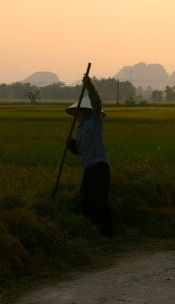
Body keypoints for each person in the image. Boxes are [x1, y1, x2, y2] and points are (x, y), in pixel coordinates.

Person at [65, 75, 113, 237]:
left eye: (79, 111)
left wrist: (89, 86)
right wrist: (71, 145)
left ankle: (107, 234)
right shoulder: (79, 129)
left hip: (99, 166)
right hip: (88, 168)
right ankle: (90, 229)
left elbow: (97, 102)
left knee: (100, 199)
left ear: (86, 110)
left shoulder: (95, 121)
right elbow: (80, 151)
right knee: (86, 199)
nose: (77, 114)